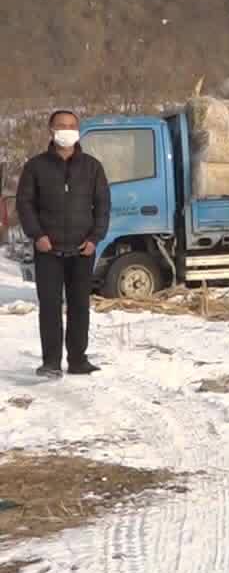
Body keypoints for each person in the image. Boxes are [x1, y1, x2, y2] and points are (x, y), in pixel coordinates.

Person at [15, 110, 110, 378]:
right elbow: (25, 204)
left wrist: (94, 238)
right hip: (48, 250)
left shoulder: (92, 167)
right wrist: (37, 235)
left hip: (82, 250)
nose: (66, 130)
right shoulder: (35, 166)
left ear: (78, 131)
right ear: (50, 130)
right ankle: (51, 362)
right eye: (61, 126)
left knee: (80, 306)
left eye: (71, 126)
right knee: (50, 307)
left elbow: (103, 205)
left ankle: (78, 359)